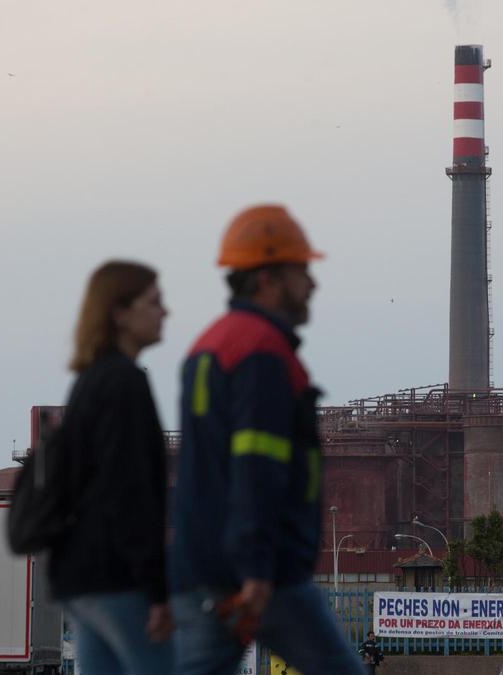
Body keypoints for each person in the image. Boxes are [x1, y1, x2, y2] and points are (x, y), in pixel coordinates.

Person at [170, 204, 365, 675]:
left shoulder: (209, 345)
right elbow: (256, 469)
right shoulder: (262, 353)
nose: (312, 285)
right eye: (301, 273)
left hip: (203, 562)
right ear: (266, 279)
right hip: (263, 572)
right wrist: (257, 569)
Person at [47, 261, 173, 675]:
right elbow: (131, 495)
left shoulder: (88, 382)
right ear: (120, 313)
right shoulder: (125, 384)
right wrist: (157, 591)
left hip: (80, 580)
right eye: (154, 302)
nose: (165, 312)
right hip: (120, 580)